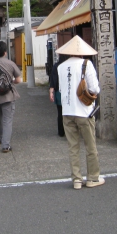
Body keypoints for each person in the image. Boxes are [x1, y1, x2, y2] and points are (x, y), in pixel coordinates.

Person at [56, 35, 104, 190]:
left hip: (67, 112)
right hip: (84, 112)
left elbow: (62, 90)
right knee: (90, 147)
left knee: (73, 147)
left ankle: (76, 179)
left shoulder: (60, 67)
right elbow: (95, 88)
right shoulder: (86, 64)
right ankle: (93, 178)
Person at [49, 54, 69, 137]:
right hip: (69, 92)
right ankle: (70, 131)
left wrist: (51, 91)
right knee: (69, 112)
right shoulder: (69, 66)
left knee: (60, 112)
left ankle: (61, 131)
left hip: (58, 92)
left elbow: (53, 80)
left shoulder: (56, 66)